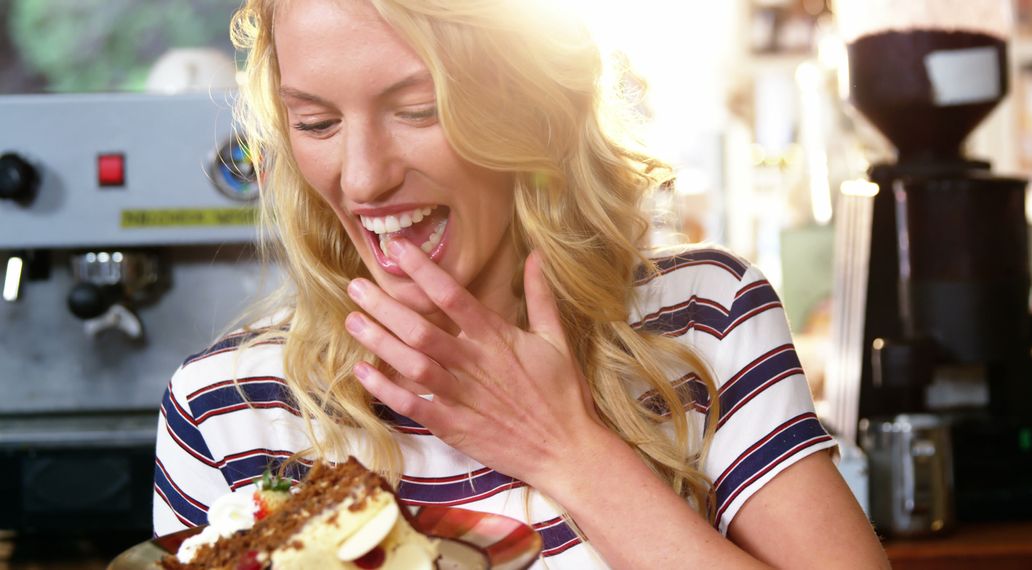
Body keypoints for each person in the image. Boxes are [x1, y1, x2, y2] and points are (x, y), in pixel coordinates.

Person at [153, 0, 890, 567]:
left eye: (419, 109)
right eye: (315, 123)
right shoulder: (227, 409)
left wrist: (566, 452)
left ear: (530, 108)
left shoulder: (705, 317)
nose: (364, 178)